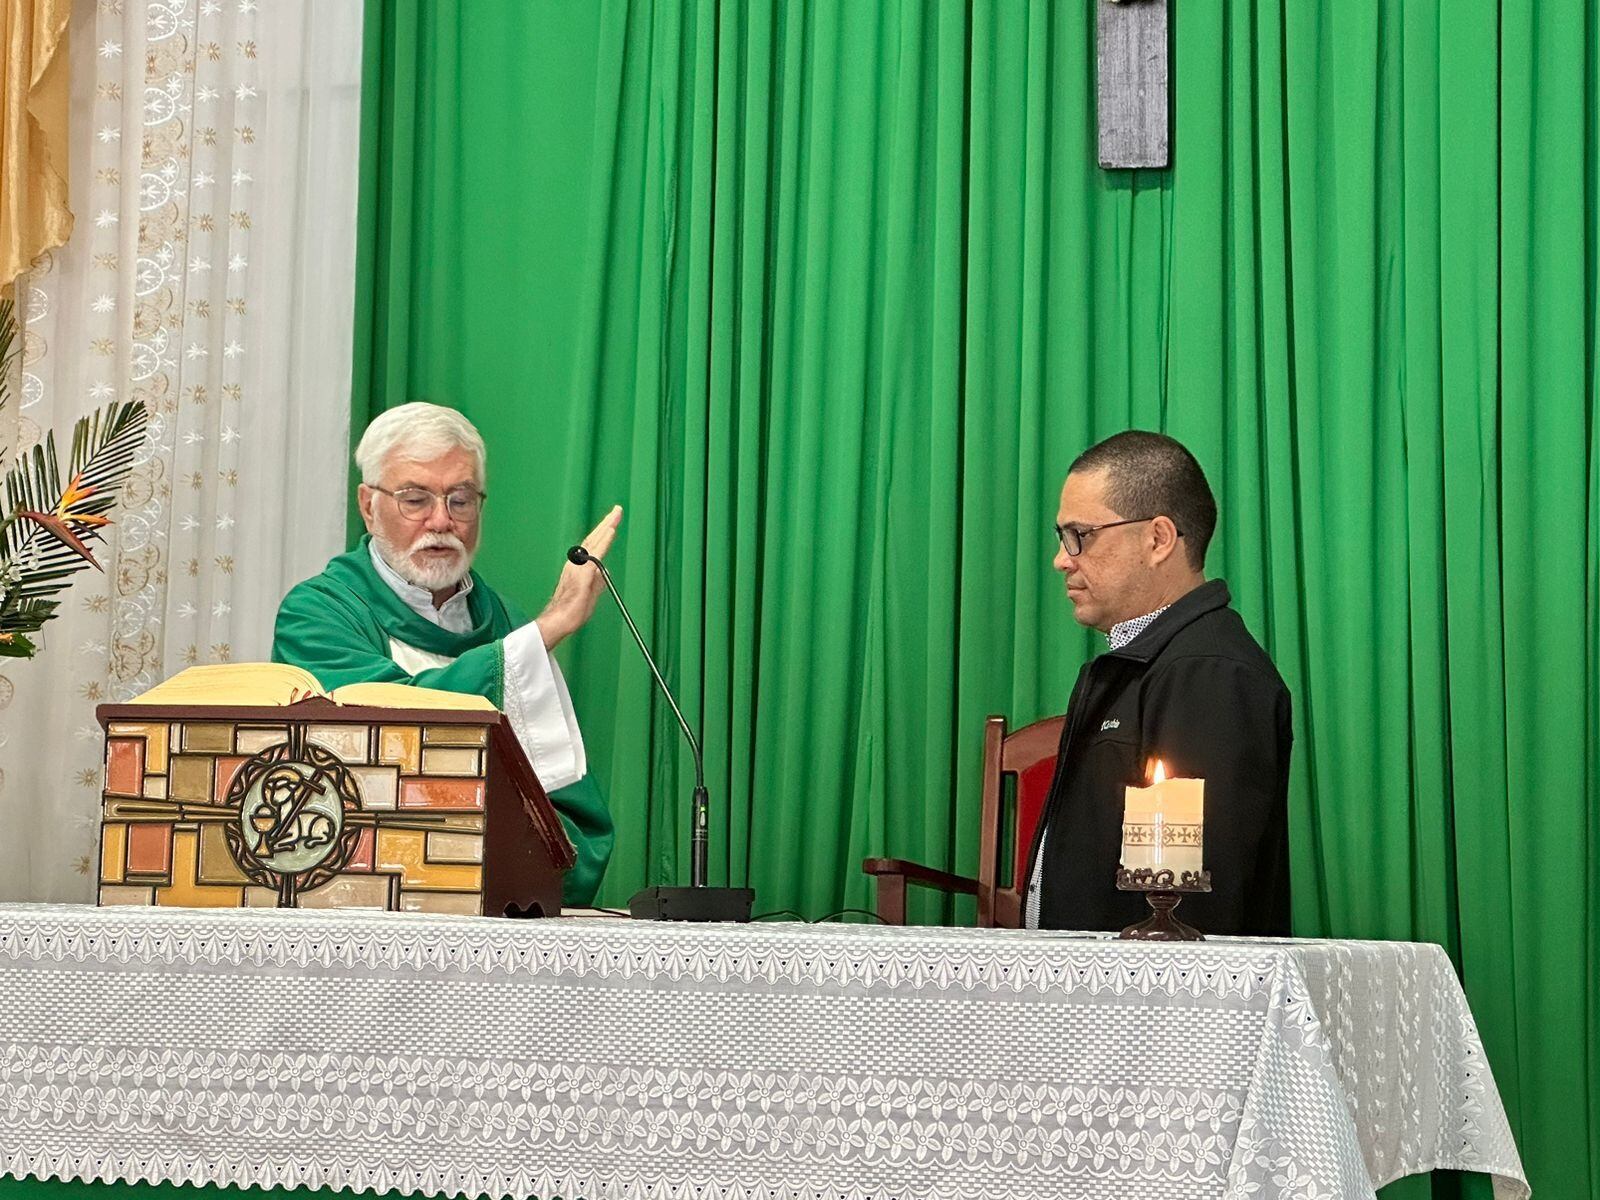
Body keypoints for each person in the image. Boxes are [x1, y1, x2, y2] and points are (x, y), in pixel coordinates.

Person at [272, 402, 620, 905]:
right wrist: (546, 631)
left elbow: (562, 801)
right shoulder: (319, 614)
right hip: (358, 907)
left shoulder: (506, 624)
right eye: (415, 499)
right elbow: (387, 728)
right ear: (368, 506)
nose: (441, 521)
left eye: (461, 500)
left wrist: (537, 866)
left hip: (489, 911)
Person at [1022, 430, 1292, 935]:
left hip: (1143, 983)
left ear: (1158, 539)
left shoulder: (1209, 673)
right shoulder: (1147, 661)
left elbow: (1196, 906)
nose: (1062, 558)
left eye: (1081, 534)